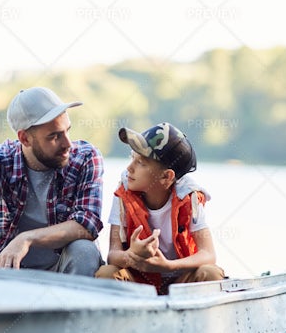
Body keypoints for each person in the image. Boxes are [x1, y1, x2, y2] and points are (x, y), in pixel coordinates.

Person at [0, 87, 104, 275]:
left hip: (60, 271)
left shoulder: (86, 157)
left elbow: (87, 226)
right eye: (54, 136)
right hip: (3, 267)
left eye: (67, 131)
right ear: (25, 138)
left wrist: (26, 239)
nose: (67, 144)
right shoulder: (5, 156)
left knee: (84, 250)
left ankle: (68, 305)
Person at [95, 122, 224, 294]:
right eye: (132, 157)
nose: (129, 168)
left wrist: (169, 266)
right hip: (139, 281)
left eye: (141, 163)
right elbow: (113, 254)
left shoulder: (188, 196)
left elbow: (208, 254)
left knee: (210, 273)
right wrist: (131, 256)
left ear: (166, 176)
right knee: (106, 274)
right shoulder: (123, 194)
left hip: (181, 280)